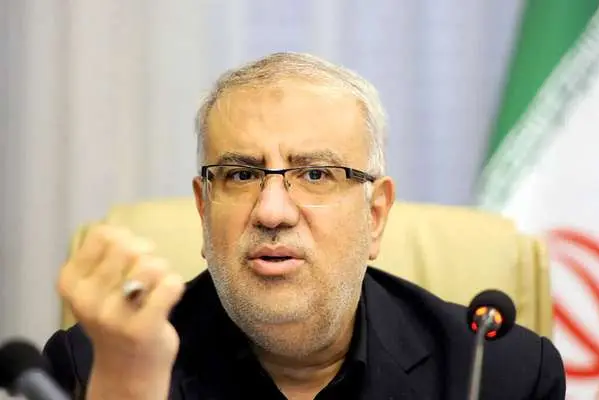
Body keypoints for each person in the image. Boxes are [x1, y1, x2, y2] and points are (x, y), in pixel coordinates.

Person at [43, 52, 565, 400]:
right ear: (204, 210)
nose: (272, 211)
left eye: (315, 174)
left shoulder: (498, 373)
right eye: (241, 174)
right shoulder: (101, 366)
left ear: (375, 215)